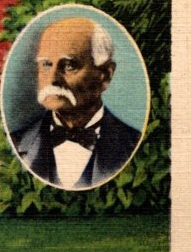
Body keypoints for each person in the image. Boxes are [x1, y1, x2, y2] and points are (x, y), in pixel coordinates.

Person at [11, 17, 142, 189]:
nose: (52, 79)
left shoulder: (133, 143)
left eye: (69, 66)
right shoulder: (18, 142)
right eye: (46, 64)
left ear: (105, 75)